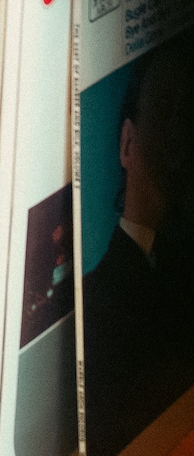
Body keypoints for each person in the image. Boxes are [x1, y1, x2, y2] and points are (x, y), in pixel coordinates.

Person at [82, 33, 194, 456]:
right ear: (128, 143)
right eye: (166, 111)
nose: (181, 135)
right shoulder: (93, 302)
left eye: (190, 115)